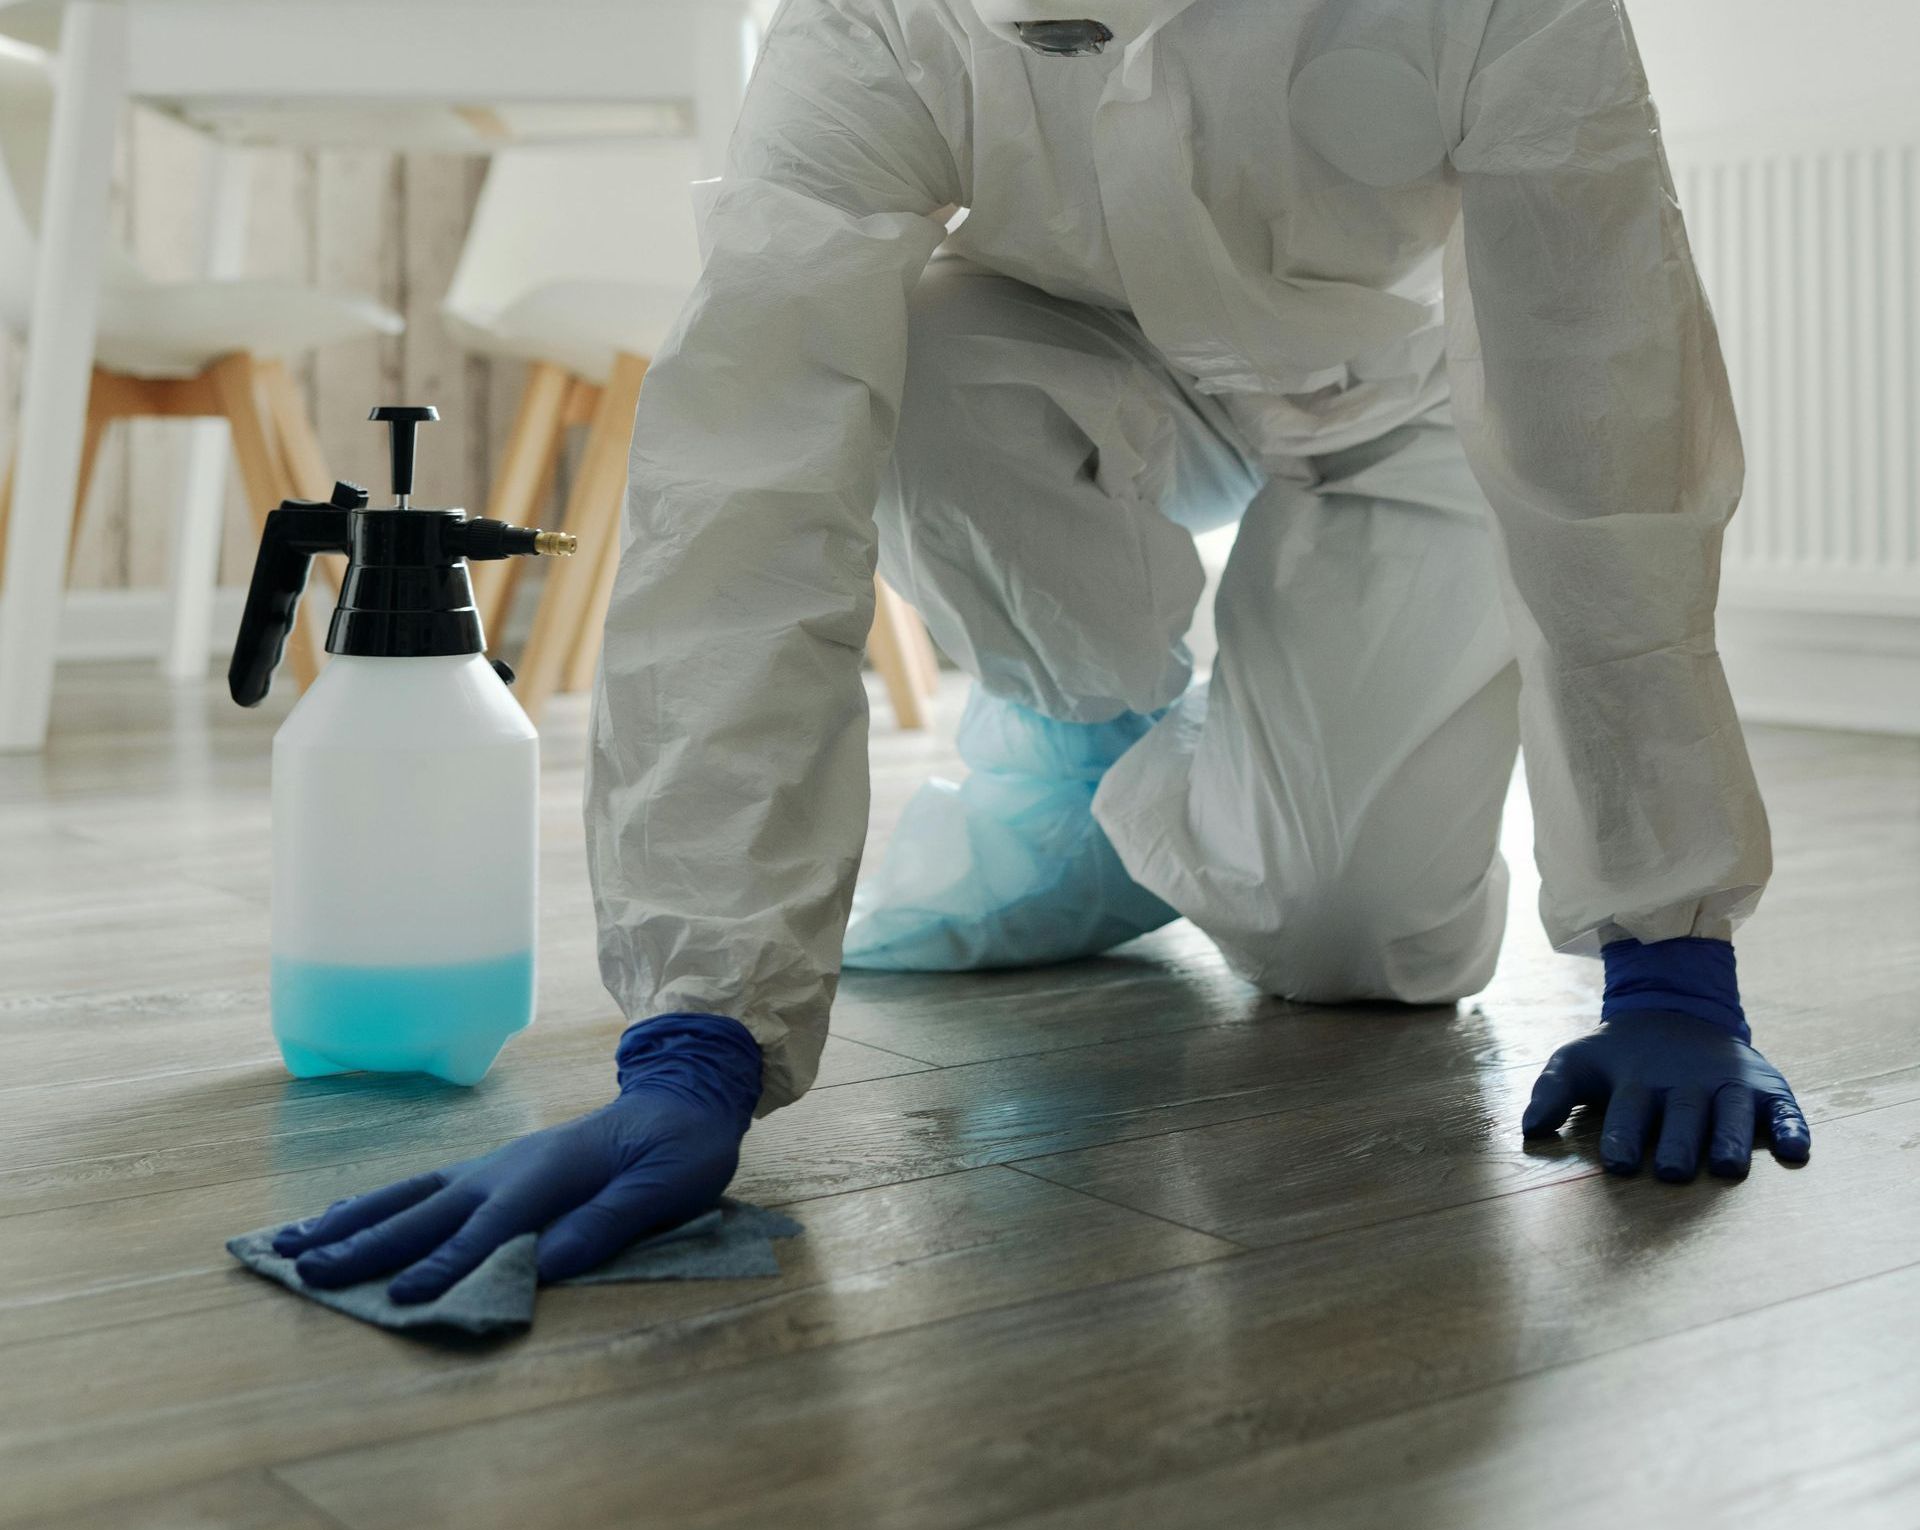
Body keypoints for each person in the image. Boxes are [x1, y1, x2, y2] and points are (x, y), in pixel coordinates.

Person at [273, 0, 1810, 1303]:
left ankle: (1175, 796)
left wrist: (1668, 948)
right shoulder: (878, 18)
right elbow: (749, 467)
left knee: (1355, 946)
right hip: (1062, 368)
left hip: (1398, 403)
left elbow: (1600, 407)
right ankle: (1082, 745)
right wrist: (696, 1027)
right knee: (911, 349)